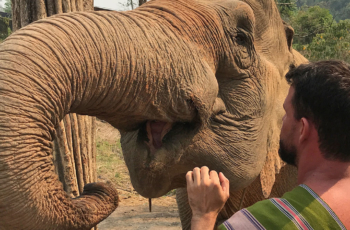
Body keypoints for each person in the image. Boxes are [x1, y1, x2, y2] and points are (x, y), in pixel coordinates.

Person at [186, 60, 350, 230]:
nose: (282, 120)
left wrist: (203, 216)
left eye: (286, 112)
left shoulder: (261, 223)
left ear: (303, 129)